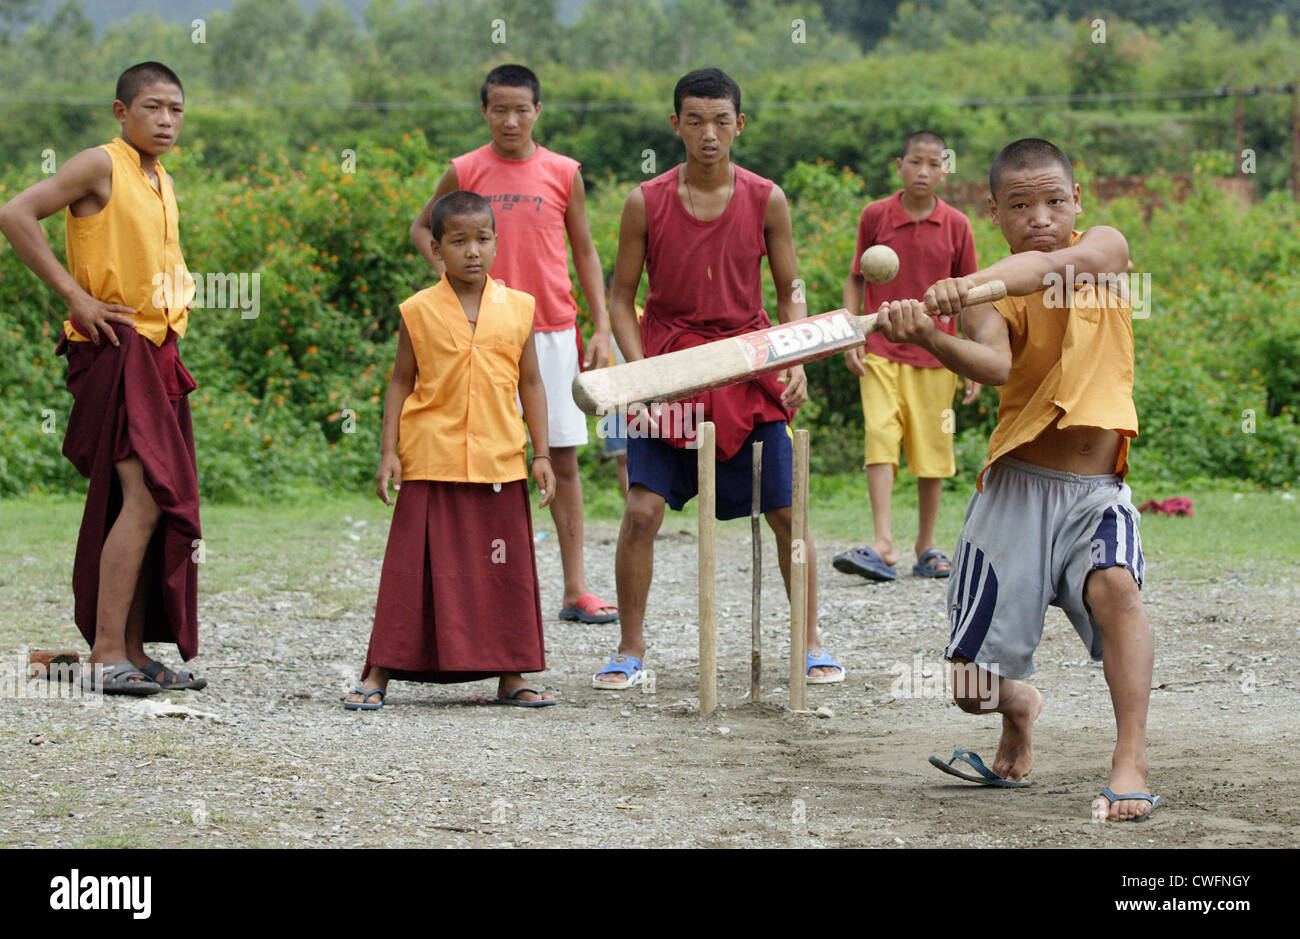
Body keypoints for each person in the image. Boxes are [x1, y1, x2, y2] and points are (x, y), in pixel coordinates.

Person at [877, 139, 1157, 821]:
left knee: (1117, 586)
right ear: (993, 211)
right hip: (1015, 489)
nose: (1041, 216)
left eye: (1055, 200)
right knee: (972, 687)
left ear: (1078, 201)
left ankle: (1131, 760)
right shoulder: (991, 293)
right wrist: (930, 336)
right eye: (1021, 205)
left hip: (1096, 490)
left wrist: (968, 283)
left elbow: (1054, 265)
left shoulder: (1105, 251)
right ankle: (1019, 703)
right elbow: (993, 366)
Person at [593, 67, 843, 691]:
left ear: (740, 124)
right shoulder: (644, 201)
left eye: (721, 120)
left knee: (786, 511)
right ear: (675, 124)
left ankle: (811, 644)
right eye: (696, 120)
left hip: (748, 365)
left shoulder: (767, 198)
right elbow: (621, 299)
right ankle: (629, 649)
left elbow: (790, 291)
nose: (709, 134)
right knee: (643, 511)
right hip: (671, 370)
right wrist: (642, 378)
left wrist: (793, 358)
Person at [0, 62, 204, 695]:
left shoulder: (159, 177)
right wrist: (74, 297)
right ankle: (106, 654)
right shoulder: (100, 164)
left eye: (175, 109)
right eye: (152, 108)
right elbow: (14, 214)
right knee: (144, 495)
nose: (166, 120)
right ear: (122, 112)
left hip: (157, 350)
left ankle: (133, 652)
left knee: (146, 499)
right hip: (114, 348)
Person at [409, 64, 617, 626]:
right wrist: (449, 282)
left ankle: (576, 589)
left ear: (538, 112)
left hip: (550, 330)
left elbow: (587, 252)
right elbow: (421, 228)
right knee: (476, 460)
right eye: (499, 108)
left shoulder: (563, 172)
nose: (510, 119)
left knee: (562, 459)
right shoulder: (464, 169)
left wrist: (600, 327)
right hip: (478, 334)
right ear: (484, 112)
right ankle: (477, 588)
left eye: (521, 109)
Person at [345, 191, 558, 710]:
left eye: (482, 240)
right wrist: (387, 452)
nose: (472, 252)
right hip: (430, 456)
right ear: (436, 250)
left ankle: (512, 675)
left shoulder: (519, 308)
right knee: (411, 571)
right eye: (458, 242)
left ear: (496, 243)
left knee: (501, 572)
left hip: (499, 459)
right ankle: (378, 673)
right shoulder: (417, 310)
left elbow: (531, 382)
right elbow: (399, 382)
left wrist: (543, 454)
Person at [834, 131, 980, 583]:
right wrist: (852, 333)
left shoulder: (957, 224)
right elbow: (856, 279)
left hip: (937, 354)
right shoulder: (876, 215)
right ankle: (882, 543)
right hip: (879, 346)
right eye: (915, 162)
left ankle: (925, 546)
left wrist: (973, 355)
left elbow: (971, 294)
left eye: (934, 163)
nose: (923, 171)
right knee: (880, 432)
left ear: (944, 169)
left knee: (932, 448)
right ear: (900, 165)